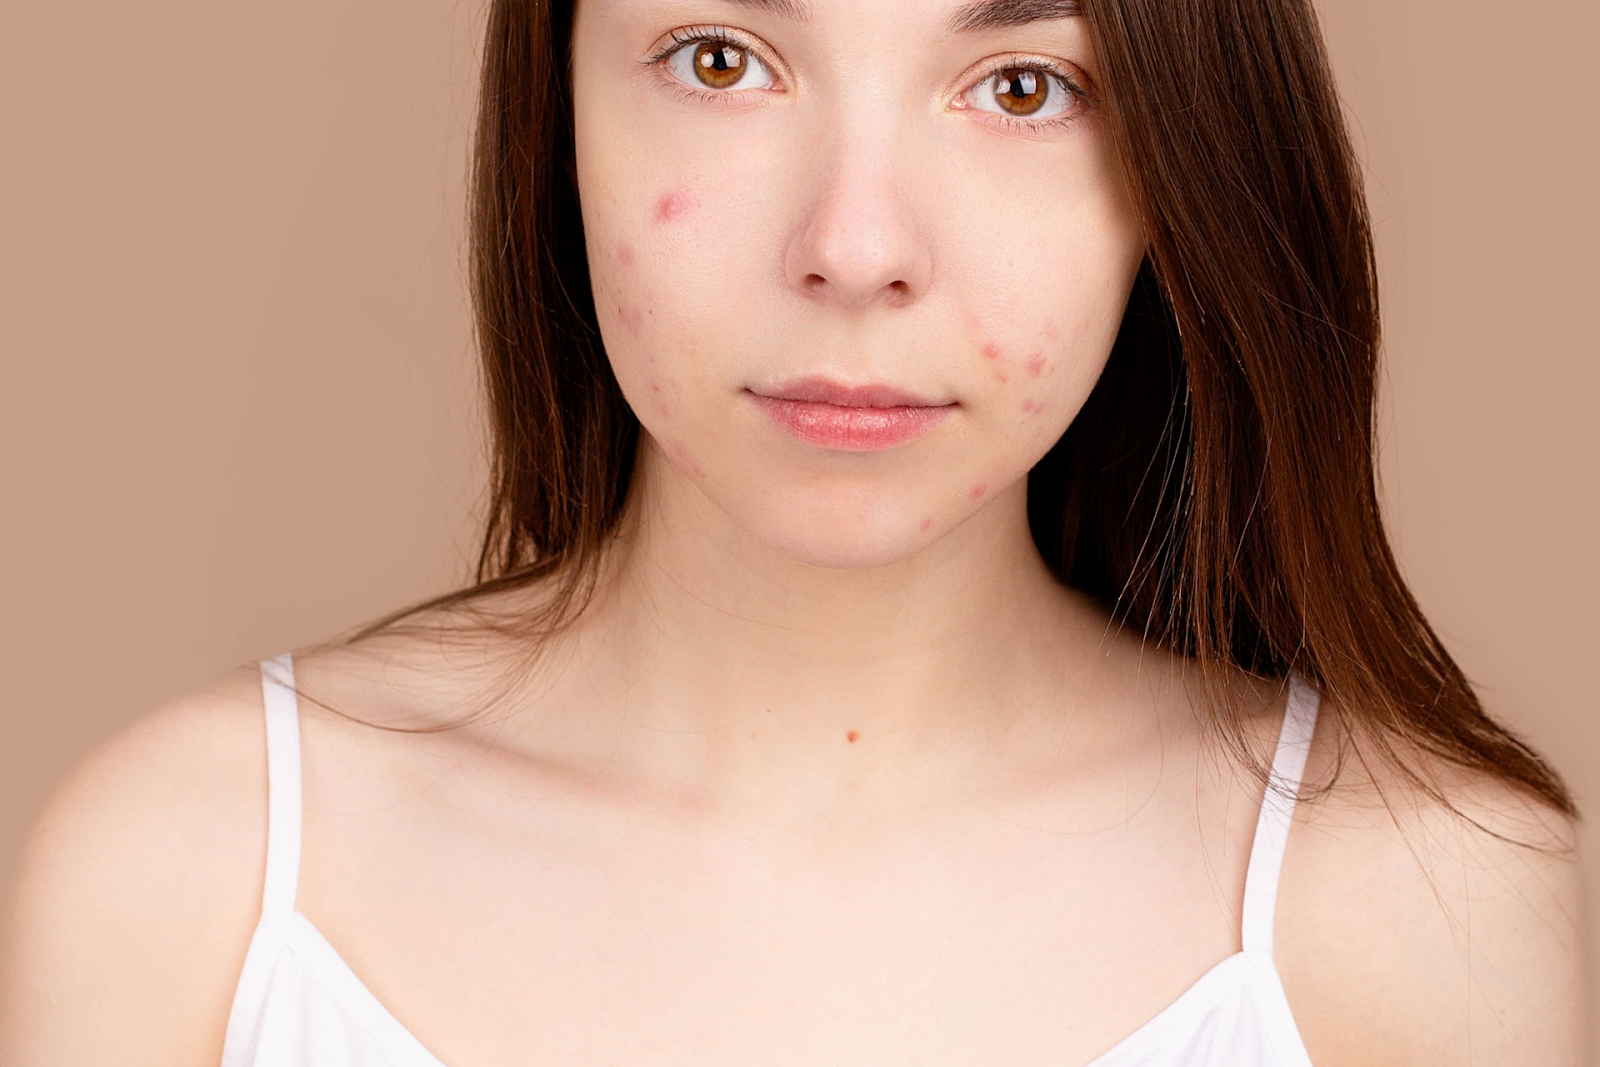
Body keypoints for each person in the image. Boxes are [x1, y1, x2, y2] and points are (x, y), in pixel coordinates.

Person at [0, 0, 1585, 1062]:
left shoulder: (1421, 909)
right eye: (720, 60)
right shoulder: (197, 881)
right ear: (556, 105)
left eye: (1021, 87)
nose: (857, 245)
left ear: (1181, 164)